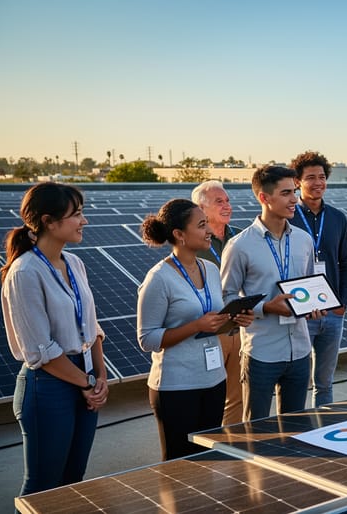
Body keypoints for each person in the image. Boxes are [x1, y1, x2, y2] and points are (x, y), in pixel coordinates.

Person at [1, 182, 109, 496]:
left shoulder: (75, 264)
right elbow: (41, 350)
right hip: (48, 386)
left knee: (73, 480)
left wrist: (100, 376)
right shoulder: (25, 272)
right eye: (76, 214)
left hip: (85, 376)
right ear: (49, 221)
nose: (84, 221)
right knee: (43, 486)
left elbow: (92, 327)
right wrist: (87, 383)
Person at [137, 199, 253, 460]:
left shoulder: (210, 269)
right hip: (176, 387)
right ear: (179, 234)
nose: (209, 230)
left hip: (214, 380)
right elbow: (147, 338)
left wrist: (236, 320)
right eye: (201, 225)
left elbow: (214, 318)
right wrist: (195, 326)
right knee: (179, 464)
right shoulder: (158, 278)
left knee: (207, 460)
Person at [222, 165, 319, 421]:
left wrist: (314, 305)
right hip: (261, 352)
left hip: (300, 350)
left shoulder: (304, 240)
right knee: (257, 430)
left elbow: (309, 285)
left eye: (294, 192)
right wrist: (265, 308)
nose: (294, 199)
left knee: (295, 426)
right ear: (264, 197)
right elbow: (226, 298)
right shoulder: (239, 246)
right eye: (286, 193)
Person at [290, 151, 347, 407]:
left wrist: (342, 303)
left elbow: (346, 263)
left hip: (332, 313)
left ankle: (324, 424)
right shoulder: (289, 217)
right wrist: (296, 307)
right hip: (301, 314)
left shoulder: (337, 218)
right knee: (296, 381)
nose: (318, 182)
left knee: (325, 383)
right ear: (297, 182)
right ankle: (298, 425)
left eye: (322, 177)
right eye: (311, 177)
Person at [191, 180, 243, 426]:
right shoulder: (193, 243)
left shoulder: (241, 237)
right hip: (211, 331)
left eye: (228, 201)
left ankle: (232, 440)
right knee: (209, 393)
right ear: (201, 208)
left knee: (238, 394)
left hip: (240, 326)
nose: (227, 206)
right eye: (219, 201)